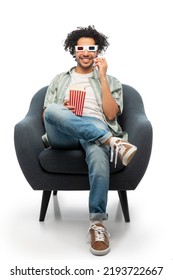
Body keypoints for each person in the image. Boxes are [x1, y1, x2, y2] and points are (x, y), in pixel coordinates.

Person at [42, 25, 137, 256]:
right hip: (63, 133)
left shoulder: (111, 80)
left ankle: (97, 224)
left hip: (96, 128)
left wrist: (102, 77)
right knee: (53, 110)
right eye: (80, 48)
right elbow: (47, 113)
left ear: (97, 51)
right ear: (73, 51)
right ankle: (112, 142)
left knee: (97, 149)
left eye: (91, 48)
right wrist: (64, 111)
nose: (85, 52)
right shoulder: (60, 79)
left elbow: (112, 114)